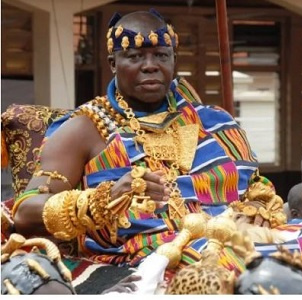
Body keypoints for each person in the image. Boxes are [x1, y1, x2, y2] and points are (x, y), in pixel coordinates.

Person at [12, 9, 259, 267]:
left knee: (301, 243)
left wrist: (258, 206)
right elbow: (26, 212)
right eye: (135, 56)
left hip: (233, 233)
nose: (150, 65)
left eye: (162, 55)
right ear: (112, 64)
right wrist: (104, 199)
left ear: (174, 60)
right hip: (152, 252)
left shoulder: (212, 120)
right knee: (239, 262)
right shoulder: (86, 127)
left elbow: (255, 187)